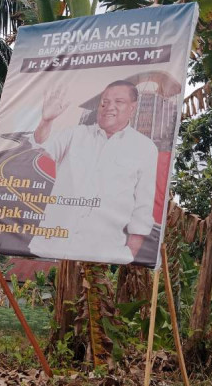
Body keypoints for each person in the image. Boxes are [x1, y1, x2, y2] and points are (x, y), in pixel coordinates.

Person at [28, 80, 158, 264]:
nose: (109, 107)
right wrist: (46, 120)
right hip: (49, 248)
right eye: (104, 102)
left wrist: (129, 254)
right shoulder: (75, 134)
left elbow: (143, 207)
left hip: (101, 256)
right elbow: (41, 144)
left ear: (133, 107)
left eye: (119, 102)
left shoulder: (145, 148)